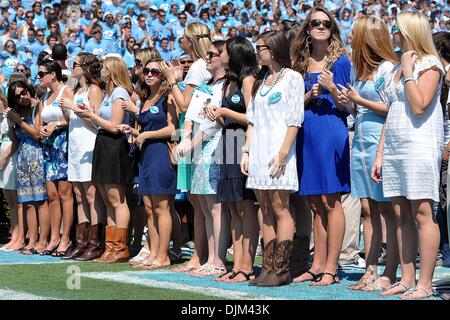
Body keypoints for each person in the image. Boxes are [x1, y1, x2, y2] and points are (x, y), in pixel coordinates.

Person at [372, 12, 445, 299]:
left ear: (410, 31)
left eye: (397, 29)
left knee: (423, 212)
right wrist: (380, 154)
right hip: (394, 147)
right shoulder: (395, 69)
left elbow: (419, 105)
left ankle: (425, 283)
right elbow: (392, 113)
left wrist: (408, 71)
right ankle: (406, 278)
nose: (394, 33)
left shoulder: (430, 64)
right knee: (401, 212)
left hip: (420, 144)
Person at [291, 7, 351, 286]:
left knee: (331, 200)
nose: (320, 27)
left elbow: (348, 106)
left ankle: (331, 268)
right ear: (307, 28)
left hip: (331, 131)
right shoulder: (300, 63)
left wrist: (331, 88)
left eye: (326, 24)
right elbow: (291, 106)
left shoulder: (340, 62)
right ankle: (317, 265)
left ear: (332, 28)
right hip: (307, 132)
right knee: (314, 202)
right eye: (315, 23)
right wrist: (309, 94)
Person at [339, 16, 399, 291]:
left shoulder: (388, 68)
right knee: (367, 208)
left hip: (381, 143)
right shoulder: (357, 69)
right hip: (361, 142)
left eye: (355, 34)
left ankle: (389, 270)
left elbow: (392, 109)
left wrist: (358, 100)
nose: (351, 39)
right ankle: (370, 268)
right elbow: (356, 111)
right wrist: (346, 102)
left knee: (387, 208)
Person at [241, 30, 304, 286]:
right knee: (264, 210)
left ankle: (281, 268)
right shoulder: (261, 80)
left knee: (280, 207)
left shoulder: (293, 78)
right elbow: (252, 121)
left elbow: (294, 119)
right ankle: (267, 267)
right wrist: (246, 151)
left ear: (275, 48)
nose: (258, 52)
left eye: (262, 47)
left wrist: (282, 152)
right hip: (258, 152)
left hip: (279, 152)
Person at [202, 36, 260, 282]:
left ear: (234, 54)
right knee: (232, 207)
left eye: (222, 51)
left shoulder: (248, 80)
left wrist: (225, 111)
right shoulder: (228, 83)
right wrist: (216, 115)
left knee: (245, 207)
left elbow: (252, 117)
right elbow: (228, 120)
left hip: (242, 145)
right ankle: (236, 264)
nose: (219, 54)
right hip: (227, 143)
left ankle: (247, 265)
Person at [161, 22, 212, 273]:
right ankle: (201, 256)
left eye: (182, 39)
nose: (180, 43)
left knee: (197, 198)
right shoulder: (204, 65)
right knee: (197, 198)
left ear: (189, 41)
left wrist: (172, 81)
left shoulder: (197, 68)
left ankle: (200, 257)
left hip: (193, 133)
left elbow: (184, 106)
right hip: (198, 133)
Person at [118, 57, 178, 269]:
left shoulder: (168, 97)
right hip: (146, 156)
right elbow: (144, 130)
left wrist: (148, 134)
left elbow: (173, 129)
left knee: (162, 207)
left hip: (161, 153)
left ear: (162, 75)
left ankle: (163, 255)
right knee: (150, 208)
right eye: (147, 71)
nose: (150, 75)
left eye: (154, 71)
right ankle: (153, 253)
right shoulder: (144, 99)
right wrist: (134, 132)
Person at [77, 56, 134, 263]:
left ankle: (121, 247)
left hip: (113, 144)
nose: (100, 70)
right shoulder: (110, 93)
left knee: (116, 199)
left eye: (103, 67)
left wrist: (93, 116)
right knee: (107, 199)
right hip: (104, 143)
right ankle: (110, 247)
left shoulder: (119, 92)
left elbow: (115, 125)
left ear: (111, 70)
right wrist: (89, 114)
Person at [184, 40, 230, 277]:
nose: (208, 58)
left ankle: (218, 259)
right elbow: (191, 117)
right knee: (203, 204)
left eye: (212, 54)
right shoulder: (204, 85)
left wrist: (190, 144)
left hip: (216, 146)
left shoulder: (226, 85)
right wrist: (186, 139)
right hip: (199, 149)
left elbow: (213, 122)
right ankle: (211, 257)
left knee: (215, 206)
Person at [60, 52, 106, 261]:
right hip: (76, 145)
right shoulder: (77, 89)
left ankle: (95, 242)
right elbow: (71, 120)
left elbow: (95, 121)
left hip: (89, 142)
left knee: (91, 195)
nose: (72, 66)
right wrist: (65, 109)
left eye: (75, 63)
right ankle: (81, 241)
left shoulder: (94, 89)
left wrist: (73, 108)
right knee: (79, 196)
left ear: (86, 67)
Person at [5, 80, 50, 255]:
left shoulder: (37, 106)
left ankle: (43, 240)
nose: (23, 97)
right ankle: (32, 240)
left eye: (24, 92)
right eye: (18, 96)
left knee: (40, 200)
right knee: (27, 202)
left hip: (38, 155)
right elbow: (15, 140)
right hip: (23, 157)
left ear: (28, 90)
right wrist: (11, 124)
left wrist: (20, 122)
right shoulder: (17, 111)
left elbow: (38, 134)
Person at [37, 59, 74, 257]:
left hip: (63, 144)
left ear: (53, 74)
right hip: (49, 146)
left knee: (65, 194)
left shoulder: (66, 91)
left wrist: (57, 124)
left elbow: (73, 118)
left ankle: (66, 238)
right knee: (52, 194)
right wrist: (44, 127)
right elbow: (43, 120)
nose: (39, 77)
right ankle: (54, 237)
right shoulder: (46, 95)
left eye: (42, 73)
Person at [0, 91, 23, 251]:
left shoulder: (9, 115)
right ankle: (14, 234)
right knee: (9, 200)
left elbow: (15, 141)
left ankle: (20, 236)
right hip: (3, 157)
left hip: (11, 157)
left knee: (17, 200)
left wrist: (3, 158)